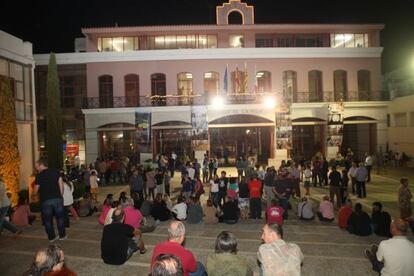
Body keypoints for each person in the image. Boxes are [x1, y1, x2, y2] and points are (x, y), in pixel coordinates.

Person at [33, 158, 66, 242]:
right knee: (60, 218)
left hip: (45, 200)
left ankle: (51, 237)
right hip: (57, 198)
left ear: (41, 165)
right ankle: (62, 236)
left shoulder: (39, 176)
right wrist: (60, 195)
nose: (36, 168)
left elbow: (36, 189)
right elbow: (61, 184)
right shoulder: (55, 172)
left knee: (48, 219)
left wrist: (33, 194)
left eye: (37, 166)